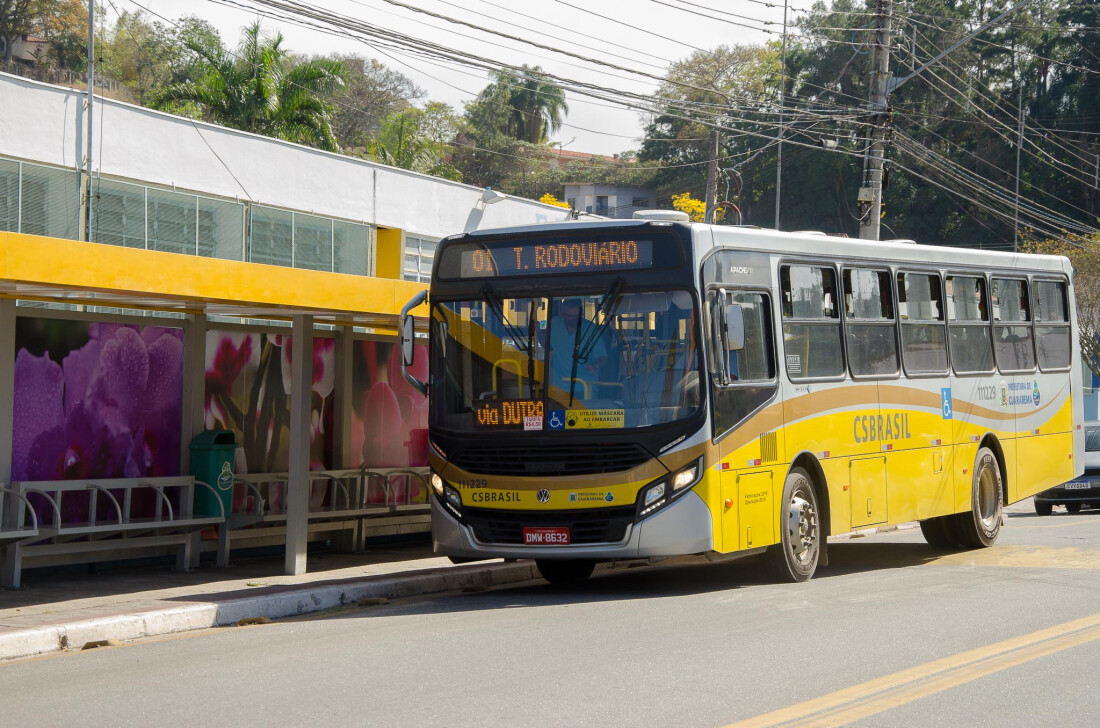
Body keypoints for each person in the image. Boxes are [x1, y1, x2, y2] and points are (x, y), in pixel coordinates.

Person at [548, 298, 608, 400]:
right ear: (563, 314)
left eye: (576, 317)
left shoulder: (591, 329)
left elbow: (603, 357)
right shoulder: (554, 324)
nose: (572, 319)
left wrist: (596, 366)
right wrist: (538, 333)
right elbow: (547, 346)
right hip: (560, 388)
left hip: (586, 387)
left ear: (582, 313)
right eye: (569, 316)